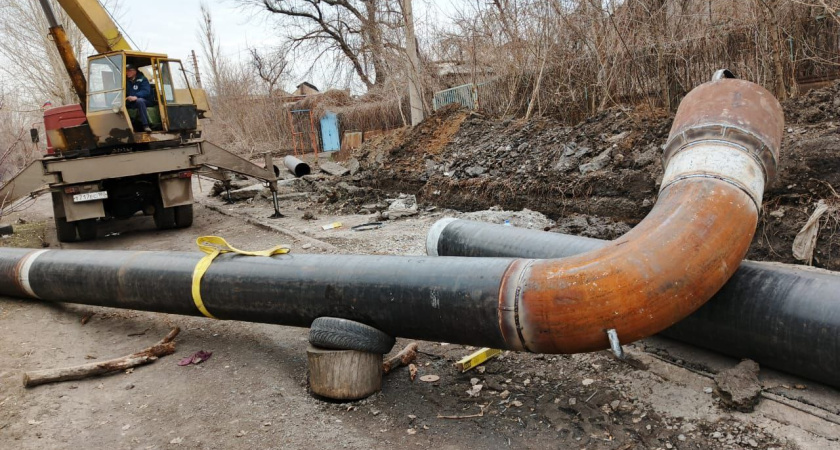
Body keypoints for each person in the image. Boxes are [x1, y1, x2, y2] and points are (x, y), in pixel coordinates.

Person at [125, 64, 153, 132]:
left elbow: (146, 91)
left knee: (140, 101)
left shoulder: (143, 79)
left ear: (135, 71)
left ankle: (145, 125)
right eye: (126, 71)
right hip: (132, 102)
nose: (127, 73)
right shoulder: (125, 81)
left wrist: (136, 96)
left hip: (145, 101)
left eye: (129, 71)